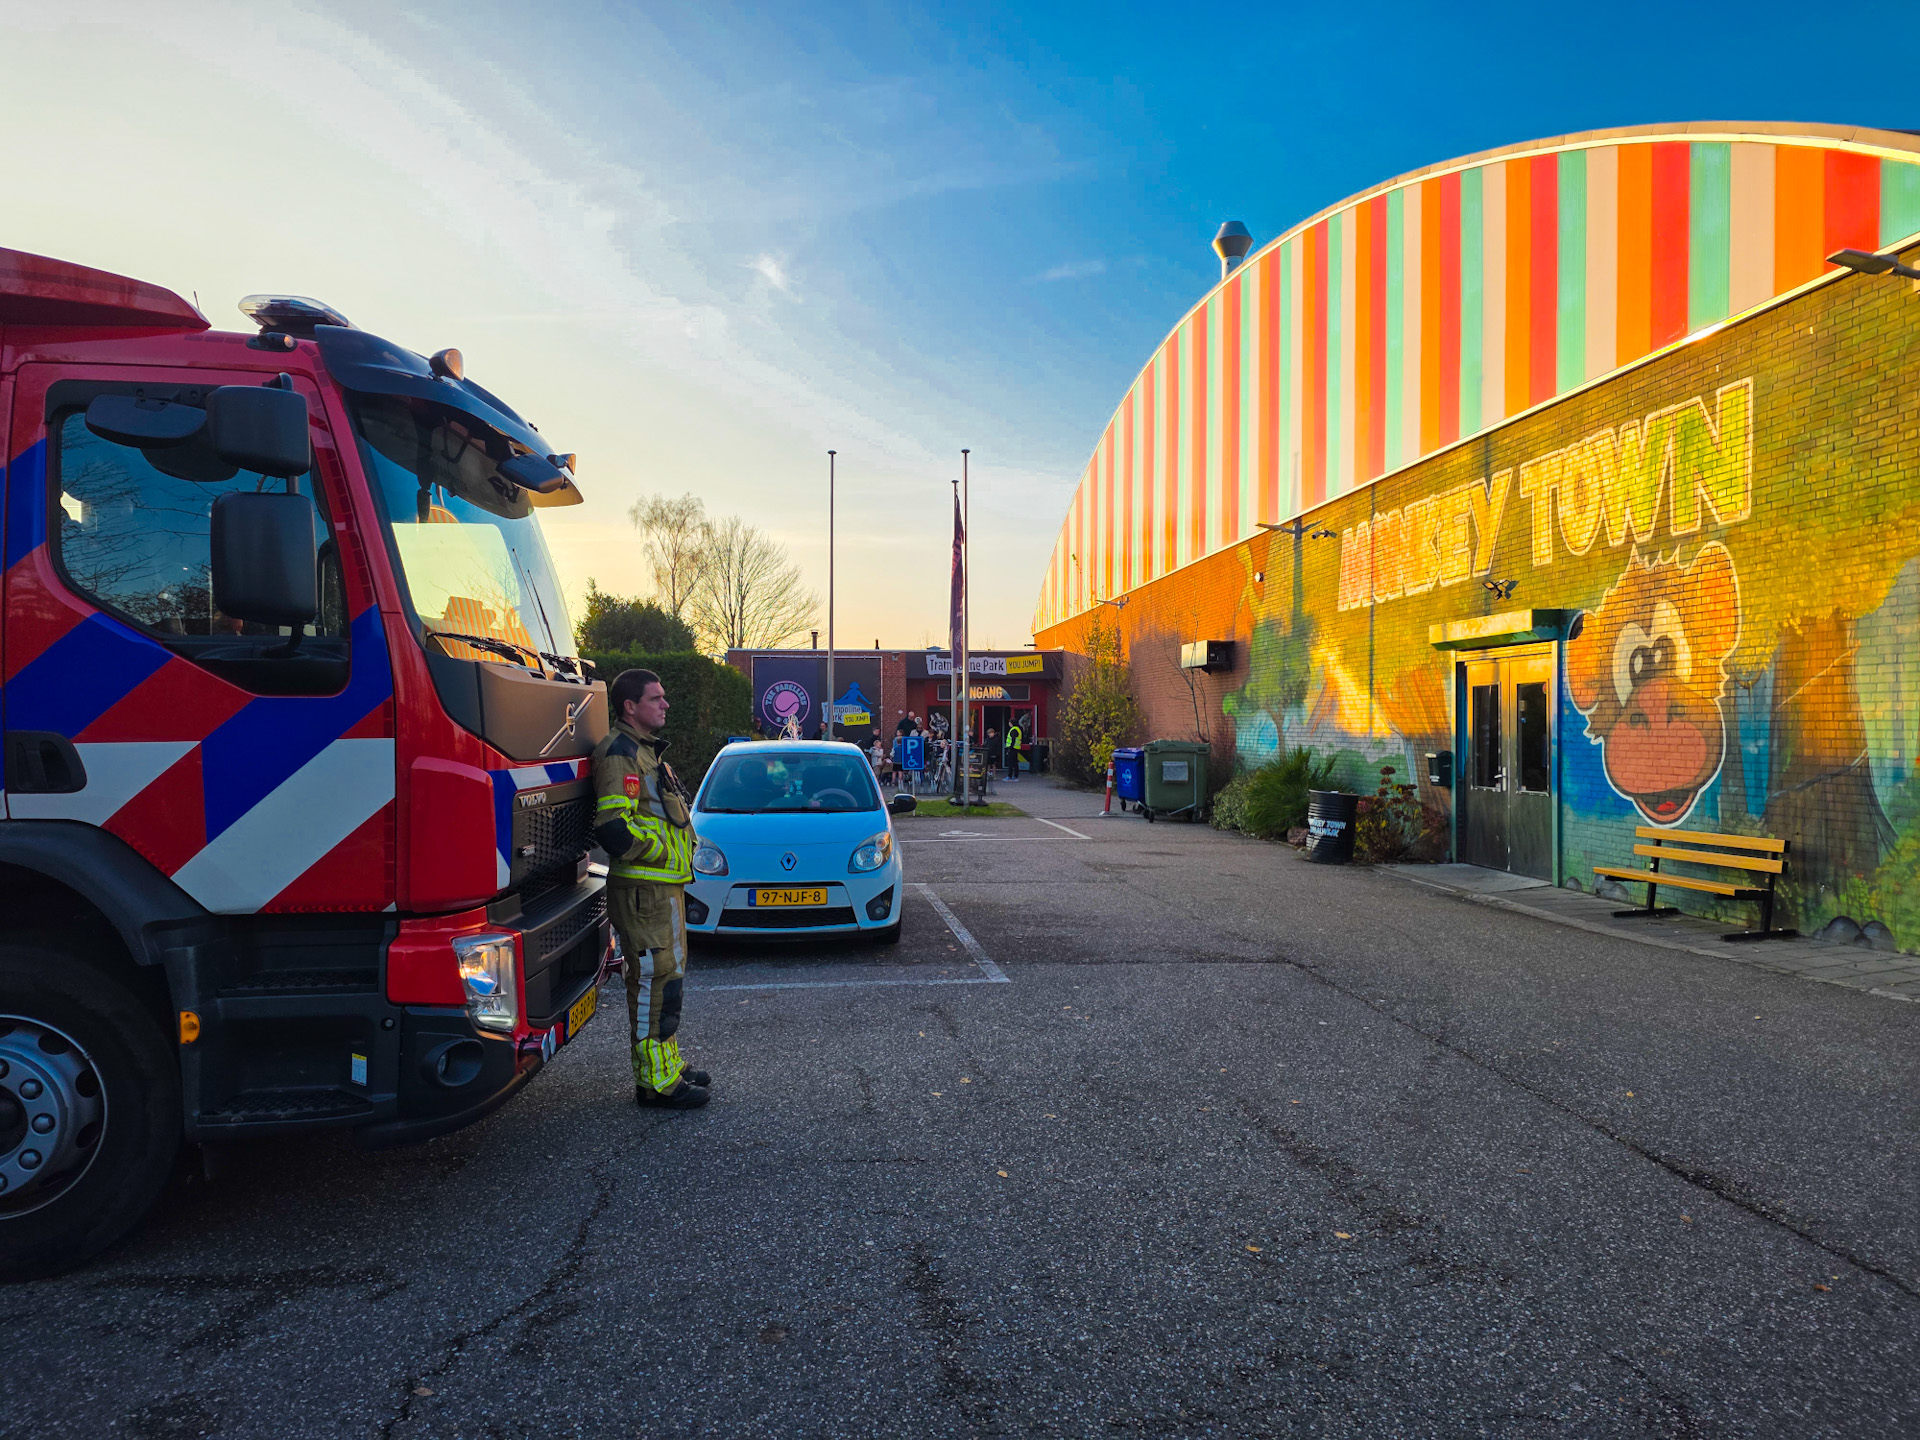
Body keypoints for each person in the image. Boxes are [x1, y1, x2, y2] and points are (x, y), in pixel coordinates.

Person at [591, 668, 709, 1110]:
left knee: (669, 981)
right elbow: (613, 827)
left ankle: (667, 1066)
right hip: (645, 891)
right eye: (655, 698)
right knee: (651, 983)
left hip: (664, 890)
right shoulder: (621, 752)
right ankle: (653, 1084)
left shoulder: (646, 752)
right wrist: (662, 851)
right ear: (630, 706)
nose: (665, 705)